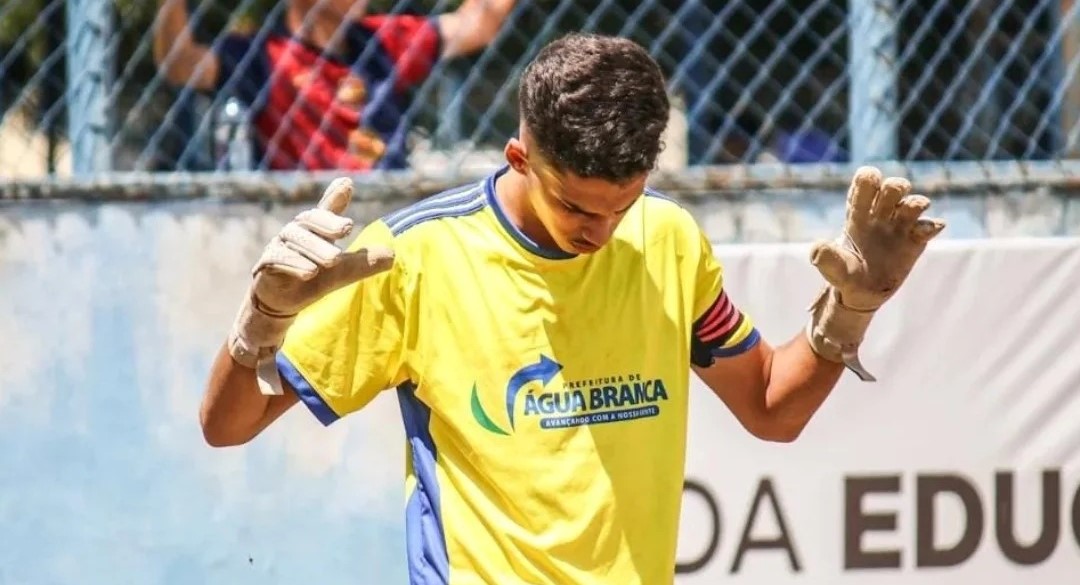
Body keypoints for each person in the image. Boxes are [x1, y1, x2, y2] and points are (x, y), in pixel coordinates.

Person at [201, 33, 946, 585]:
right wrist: (261, 320)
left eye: (618, 207)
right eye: (576, 208)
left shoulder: (666, 239)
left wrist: (849, 308)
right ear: (520, 158)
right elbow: (225, 426)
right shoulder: (415, 257)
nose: (600, 232)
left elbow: (770, 405)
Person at [153, 0, 517, 171]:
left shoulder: (383, 40)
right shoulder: (265, 54)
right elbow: (179, 63)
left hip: (385, 211)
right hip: (304, 216)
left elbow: (477, 24)